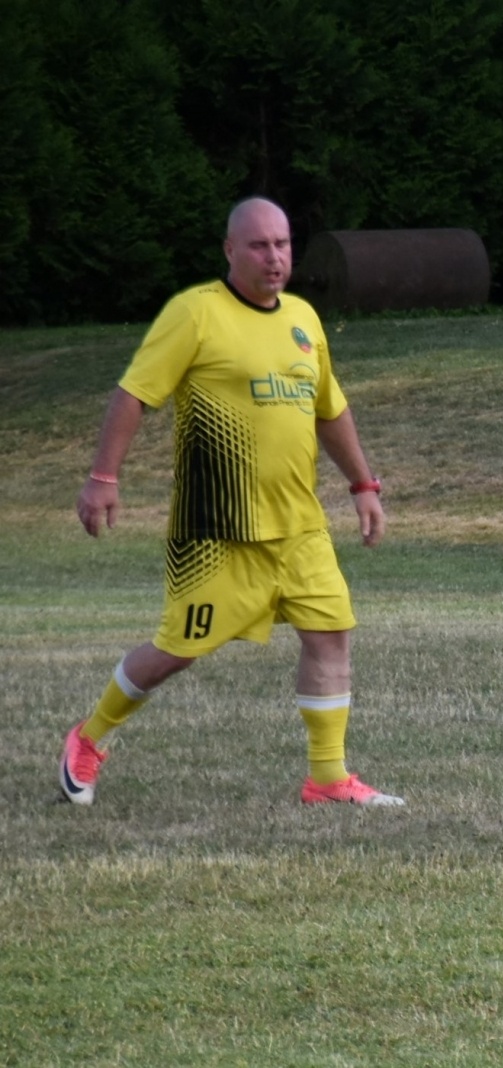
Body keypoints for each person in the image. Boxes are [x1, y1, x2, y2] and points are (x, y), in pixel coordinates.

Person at [61, 197, 404, 807]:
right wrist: (102, 478)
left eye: (283, 245)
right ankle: (88, 739)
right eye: (258, 245)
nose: (274, 258)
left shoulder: (302, 319)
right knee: (176, 652)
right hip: (215, 533)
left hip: (299, 528)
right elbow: (133, 395)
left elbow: (330, 409)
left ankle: (327, 778)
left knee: (331, 634)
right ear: (229, 250)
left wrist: (363, 485)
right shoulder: (195, 314)